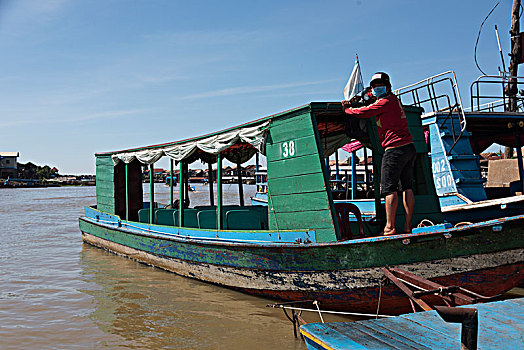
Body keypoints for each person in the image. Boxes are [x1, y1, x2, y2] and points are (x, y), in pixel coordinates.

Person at [341, 72, 416, 235]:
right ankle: (408, 226)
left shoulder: (384, 102)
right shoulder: (394, 100)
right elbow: (370, 100)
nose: (376, 89)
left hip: (394, 149)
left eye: (379, 86)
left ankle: (390, 227)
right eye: (374, 87)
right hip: (409, 148)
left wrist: (348, 109)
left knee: (389, 188)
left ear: (387, 87)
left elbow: (364, 112)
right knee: (407, 187)